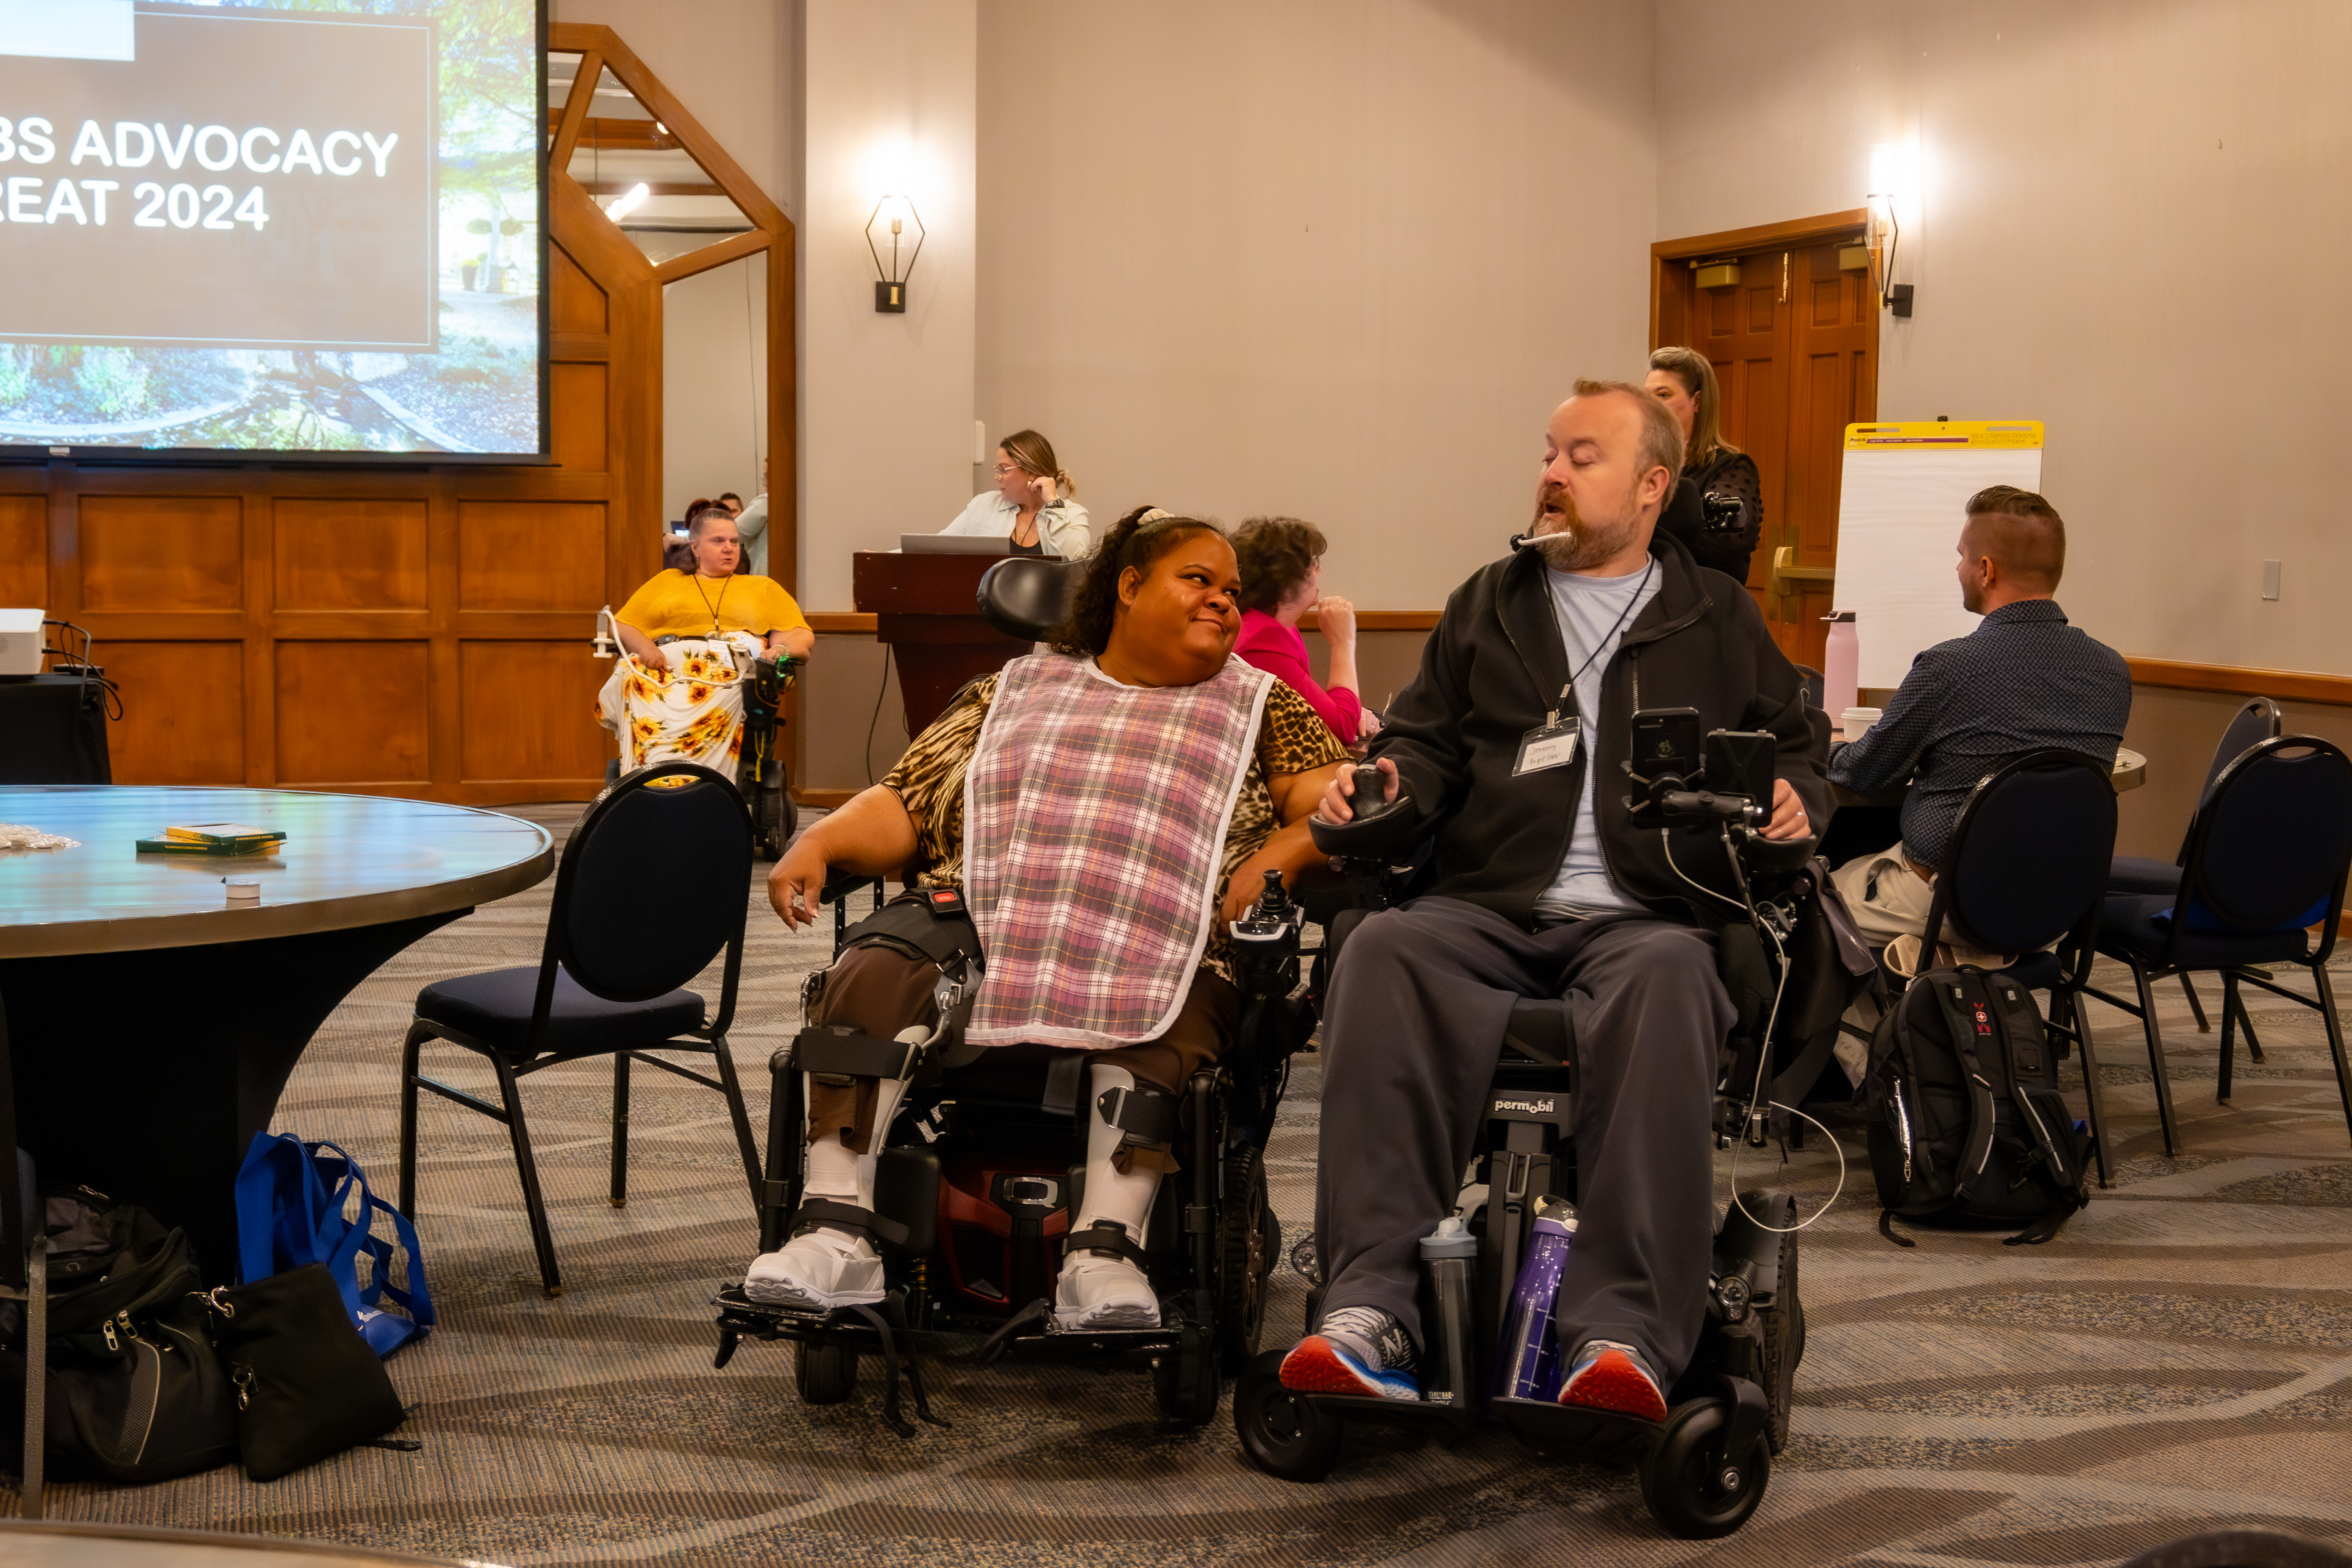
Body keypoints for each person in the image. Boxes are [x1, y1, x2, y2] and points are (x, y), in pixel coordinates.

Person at [1277, 379, 1827, 1417]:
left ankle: (1618, 1326)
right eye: (1548, 453)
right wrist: (1387, 776)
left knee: (1670, 973)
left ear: (1652, 484)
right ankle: (1370, 1305)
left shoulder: (1713, 613)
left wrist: (1799, 795)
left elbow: (1795, 749)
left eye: (1582, 457)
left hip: (1648, 913)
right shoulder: (1492, 598)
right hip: (1486, 902)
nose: (1551, 474)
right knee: (1380, 949)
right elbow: (1425, 742)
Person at [748, 513, 1345, 1328]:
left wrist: (1272, 860)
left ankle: (1103, 1255)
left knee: (1166, 998)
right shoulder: (1015, 688)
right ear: (1129, 587)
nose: (1223, 602)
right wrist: (819, 839)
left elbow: (1331, 804)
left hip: (1167, 927)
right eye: (1198, 580)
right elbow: (909, 800)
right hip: (990, 913)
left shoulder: (1260, 703)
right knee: (874, 968)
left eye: (1233, 591)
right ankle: (835, 1233)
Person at [1827, 485, 2131, 976]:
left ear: (1987, 569)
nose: (1959, 568)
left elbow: (1865, 774)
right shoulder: (2110, 671)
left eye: (1963, 556)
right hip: (2054, 909)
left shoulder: (1950, 667)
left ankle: (1887, 1036)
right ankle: (1970, 966)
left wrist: (1827, 748)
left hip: (1946, 902)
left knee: (1806, 907)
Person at [600, 510, 815, 772]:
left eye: (734, 542)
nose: (729, 549)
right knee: (628, 672)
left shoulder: (763, 588)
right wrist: (645, 648)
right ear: (696, 547)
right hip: (668, 667)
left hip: (732, 672)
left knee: (731, 687)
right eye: (718, 541)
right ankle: (654, 771)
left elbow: (800, 636)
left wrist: (779, 649)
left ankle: (702, 775)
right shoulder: (668, 582)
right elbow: (620, 625)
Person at [1232, 515, 1373, 747]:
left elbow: (1316, 711)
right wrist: (1344, 644)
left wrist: (1351, 709)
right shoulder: (1262, 640)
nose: (1320, 570)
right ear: (1286, 587)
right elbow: (1340, 729)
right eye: (1313, 564)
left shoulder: (1272, 626)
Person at [1645, 347, 1762, 584]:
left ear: (1697, 401)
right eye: (1646, 397)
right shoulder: (1640, 468)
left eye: (1664, 395)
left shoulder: (1731, 467)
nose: (1651, 406)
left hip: (1706, 608)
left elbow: (1728, 538)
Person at [940, 429, 1090, 557]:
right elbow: (938, 550)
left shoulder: (1073, 515)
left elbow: (1076, 566)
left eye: (1004, 470)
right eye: (997, 470)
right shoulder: (982, 504)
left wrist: (1053, 505)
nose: (997, 477)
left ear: (1031, 472)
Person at [733, 462, 773, 578]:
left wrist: (682, 539)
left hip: (762, 579)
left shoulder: (766, 502)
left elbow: (733, 533)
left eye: (767, 476)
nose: (764, 481)